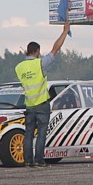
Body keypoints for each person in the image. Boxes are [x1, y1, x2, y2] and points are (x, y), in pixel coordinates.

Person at [14, 21, 71, 167]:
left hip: (29, 105)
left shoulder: (19, 67)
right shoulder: (40, 63)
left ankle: (27, 161)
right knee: (41, 134)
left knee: (28, 134)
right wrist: (64, 32)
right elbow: (55, 49)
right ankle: (39, 160)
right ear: (37, 51)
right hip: (42, 104)